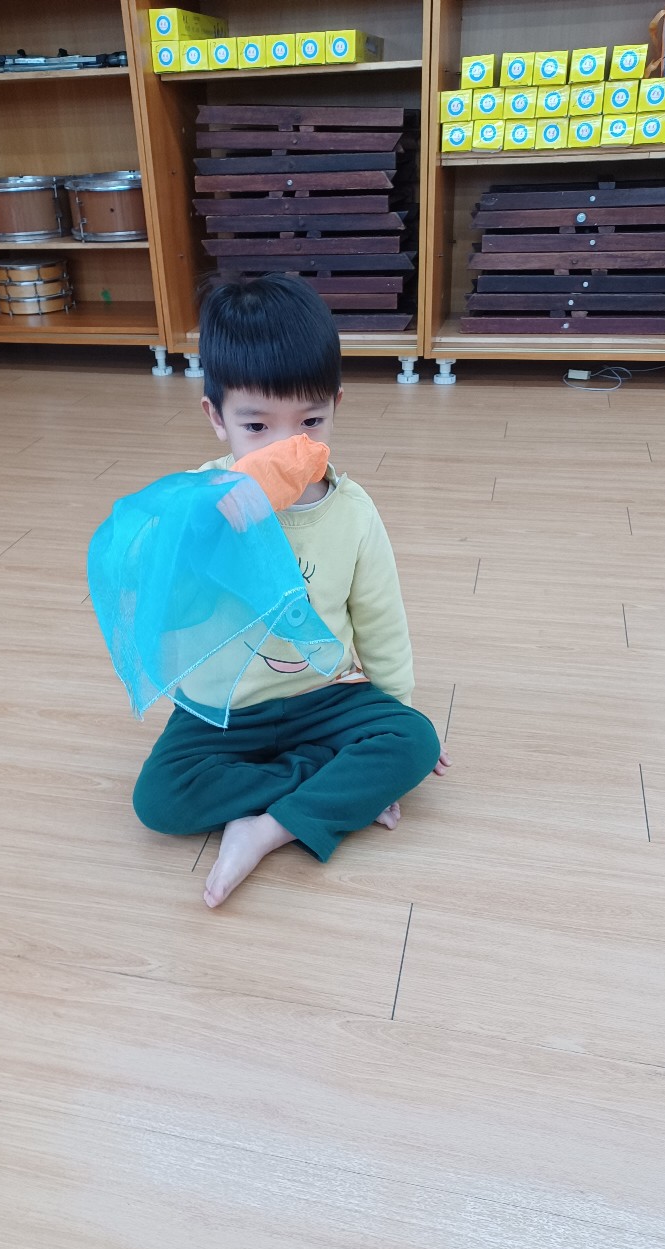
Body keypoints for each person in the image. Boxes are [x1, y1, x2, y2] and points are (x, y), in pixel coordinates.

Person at [133, 274, 450, 907]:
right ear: (216, 419)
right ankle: (328, 785)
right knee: (159, 801)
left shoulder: (352, 512)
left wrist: (394, 709)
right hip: (224, 709)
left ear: (335, 406)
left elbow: (381, 621)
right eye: (257, 426)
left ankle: (267, 828)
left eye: (309, 422)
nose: (285, 449)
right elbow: (155, 592)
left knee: (415, 741)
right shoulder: (198, 504)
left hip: (325, 695)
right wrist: (201, 533)